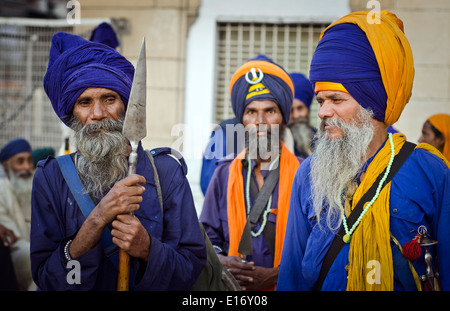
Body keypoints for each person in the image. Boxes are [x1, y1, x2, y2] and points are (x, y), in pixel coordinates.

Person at [277, 11, 450, 291]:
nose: (322, 112)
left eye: (336, 99)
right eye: (320, 100)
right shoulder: (309, 173)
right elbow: (293, 276)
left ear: (372, 103)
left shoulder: (430, 172)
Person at [30, 32, 206, 290]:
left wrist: (147, 249)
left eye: (109, 99)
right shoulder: (51, 178)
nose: (98, 114)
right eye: (85, 102)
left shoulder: (165, 173)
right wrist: (95, 222)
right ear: (71, 113)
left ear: (125, 104)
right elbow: (48, 279)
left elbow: (189, 271)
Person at [200, 54, 302, 291]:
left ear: (283, 118)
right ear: (242, 119)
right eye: (251, 112)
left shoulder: (306, 174)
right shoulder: (223, 173)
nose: (260, 121)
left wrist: (278, 275)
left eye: (270, 111)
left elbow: (317, 247)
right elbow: (207, 236)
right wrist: (219, 260)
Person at [0, 138, 35, 290]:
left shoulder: (37, 186)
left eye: (29, 161)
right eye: (20, 162)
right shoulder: (1, 190)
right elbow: (12, 241)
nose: (26, 167)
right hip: (15, 254)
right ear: (6, 165)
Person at [285, 72, 316, 158]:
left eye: (300, 108)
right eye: (291, 111)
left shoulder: (321, 140)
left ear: (307, 108)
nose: (296, 115)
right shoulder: (277, 144)